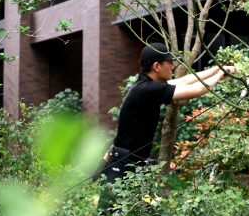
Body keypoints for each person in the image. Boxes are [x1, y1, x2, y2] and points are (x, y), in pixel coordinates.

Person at [100, 43, 233, 184]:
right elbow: (198, 89)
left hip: (131, 161)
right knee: (117, 199)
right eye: (169, 62)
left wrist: (219, 69)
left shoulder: (146, 85)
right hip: (124, 163)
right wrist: (220, 74)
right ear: (157, 66)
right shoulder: (147, 89)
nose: (172, 66)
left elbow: (185, 80)